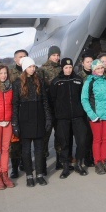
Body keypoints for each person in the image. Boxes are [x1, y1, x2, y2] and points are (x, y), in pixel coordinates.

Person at [12, 57, 52, 187]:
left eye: (34, 66)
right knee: (26, 150)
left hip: (38, 117)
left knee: (39, 149)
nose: (33, 69)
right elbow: (15, 105)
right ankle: (29, 175)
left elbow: (45, 101)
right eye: (30, 67)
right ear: (24, 68)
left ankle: (39, 174)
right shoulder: (18, 83)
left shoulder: (39, 81)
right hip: (25, 119)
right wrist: (15, 124)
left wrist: (48, 118)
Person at [49, 58, 90, 178]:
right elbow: (52, 99)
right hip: (62, 118)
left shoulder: (78, 80)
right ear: (62, 68)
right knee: (65, 142)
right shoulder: (56, 81)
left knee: (82, 141)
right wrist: (55, 115)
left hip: (78, 116)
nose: (68, 69)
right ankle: (66, 166)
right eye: (66, 67)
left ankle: (78, 163)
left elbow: (83, 97)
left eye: (70, 67)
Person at [81, 59, 106, 175]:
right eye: (97, 68)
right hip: (96, 116)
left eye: (101, 68)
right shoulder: (89, 82)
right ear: (93, 70)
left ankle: (105, 160)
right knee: (97, 139)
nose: (100, 70)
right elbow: (84, 99)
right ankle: (98, 162)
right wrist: (92, 115)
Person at [41, 46, 62, 171]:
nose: (56, 57)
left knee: (60, 136)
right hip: (48, 108)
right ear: (49, 55)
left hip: (59, 107)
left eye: (58, 55)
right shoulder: (42, 70)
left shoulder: (61, 69)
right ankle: (42, 163)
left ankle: (60, 160)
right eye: (54, 55)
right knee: (45, 136)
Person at [8, 49, 28, 179]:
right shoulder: (10, 73)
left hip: (27, 111)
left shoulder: (32, 71)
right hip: (14, 111)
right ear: (15, 59)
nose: (22, 59)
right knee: (14, 143)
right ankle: (14, 168)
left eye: (25, 57)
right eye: (20, 57)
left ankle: (24, 162)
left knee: (26, 140)